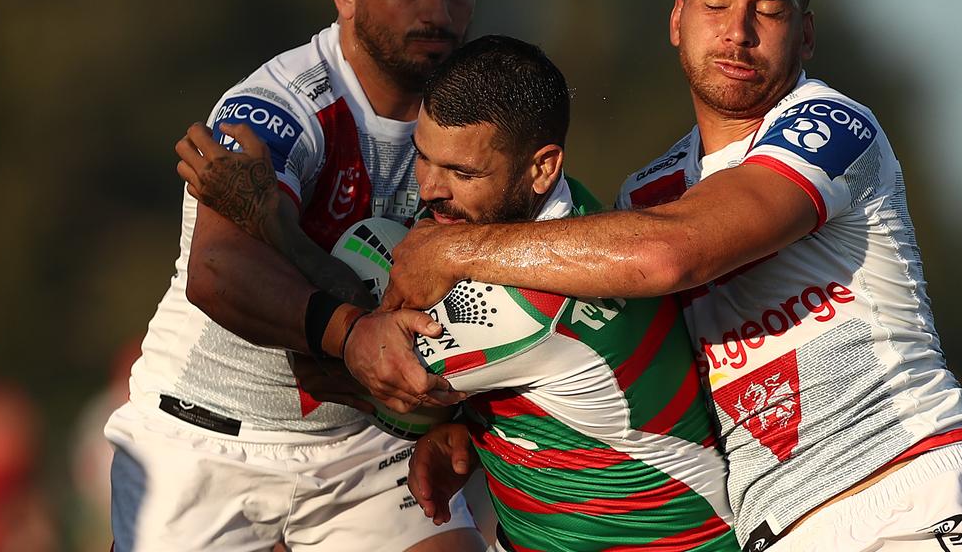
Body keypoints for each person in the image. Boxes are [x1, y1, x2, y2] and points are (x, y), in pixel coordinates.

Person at [364, 0, 962, 551]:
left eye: (769, 10)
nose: (738, 31)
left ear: (805, 34)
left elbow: (671, 255)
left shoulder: (831, 127)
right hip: (777, 532)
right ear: (678, 20)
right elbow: (637, 369)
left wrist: (455, 248)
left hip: (908, 497)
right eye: (716, 4)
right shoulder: (649, 192)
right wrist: (469, 433)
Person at [180, 35, 737, 552]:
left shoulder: (518, 312)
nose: (429, 188)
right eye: (423, 155)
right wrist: (467, 425)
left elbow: (363, 355)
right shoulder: (579, 212)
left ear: (541, 168)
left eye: (462, 172)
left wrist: (269, 219)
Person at [104, 0, 484, 552]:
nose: (438, 11)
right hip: (205, 438)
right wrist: (351, 336)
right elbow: (219, 272)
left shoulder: (475, 116)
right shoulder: (275, 108)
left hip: (360, 448)